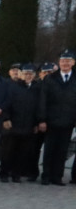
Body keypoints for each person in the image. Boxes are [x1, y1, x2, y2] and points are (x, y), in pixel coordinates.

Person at [37, 50, 76, 186]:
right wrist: (42, 119)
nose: (65, 63)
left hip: (69, 120)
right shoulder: (50, 78)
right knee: (49, 149)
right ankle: (46, 176)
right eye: (63, 61)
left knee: (62, 150)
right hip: (51, 120)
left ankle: (57, 176)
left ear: (73, 62)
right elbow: (43, 100)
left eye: (68, 61)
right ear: (59, 63)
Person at [0, 64, 39, 183]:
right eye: (25, 73)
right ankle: (4, 173)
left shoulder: (36, 89)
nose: (28, 76)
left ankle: (16, 174)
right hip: (13, 124)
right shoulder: (12, 87)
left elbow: (38, 107)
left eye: (30, 74)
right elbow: (5, 104)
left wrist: (36, 123)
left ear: (34, 76)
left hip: (28, 125)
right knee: (8, 151)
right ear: (20, 74)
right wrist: (5, 118)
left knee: (23, 152)